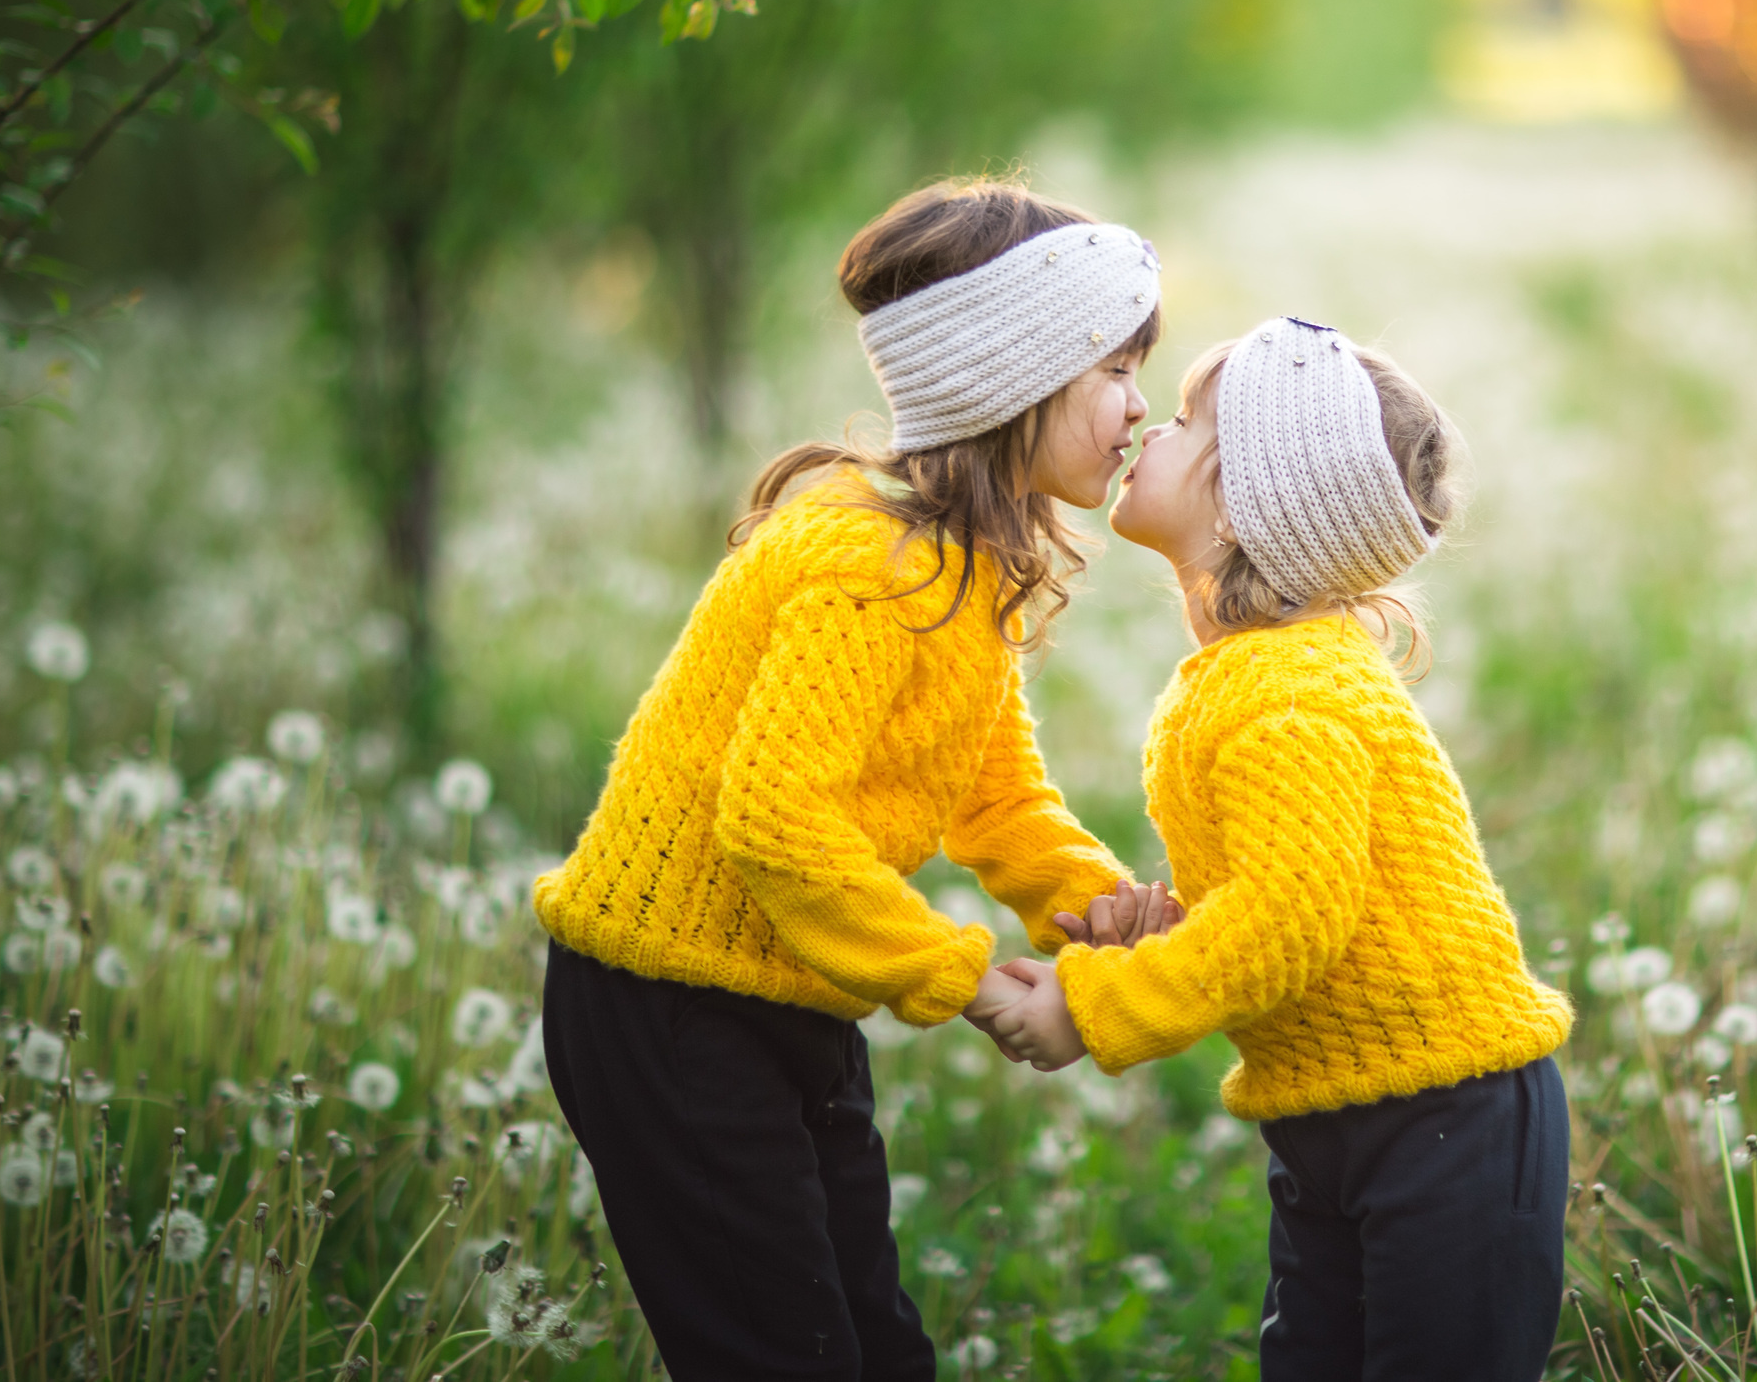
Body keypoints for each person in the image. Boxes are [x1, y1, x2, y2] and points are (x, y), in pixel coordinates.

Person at [533, 177, 1179, 1381]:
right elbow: (774, 825)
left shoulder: (963, 560)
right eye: (1115, 373)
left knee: (874, 1345)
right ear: (1012, 378)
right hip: (667, 1000)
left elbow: (995, 795)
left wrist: (1088, 908)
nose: (1138, 410)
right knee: (783, 1354)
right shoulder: (871, 565)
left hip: (788, 983)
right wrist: (969, 980)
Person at [981, 315, 1577, 1382]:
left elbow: (1290, 923)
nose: (1145, 433)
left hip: (1446, 1124)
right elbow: (1275, 894)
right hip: (1336, 1109)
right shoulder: (1255, 675)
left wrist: (1090, 1004)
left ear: (1247, 496)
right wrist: (1160, 933)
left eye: (1179, 421)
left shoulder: (1288, 698)